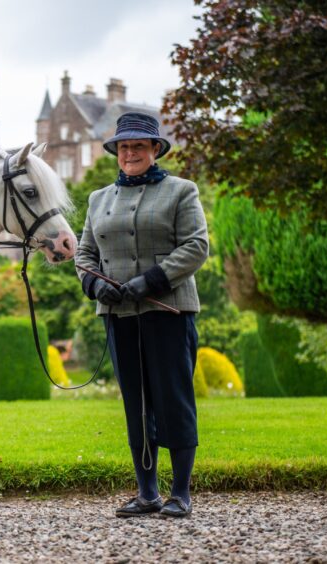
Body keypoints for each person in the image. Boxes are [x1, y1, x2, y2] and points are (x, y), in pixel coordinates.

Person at [75, 112, 209, 518]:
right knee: (137, 404)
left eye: (138, 146)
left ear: (155, 149)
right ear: (116, 151)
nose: (129, 152)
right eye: (123, 146)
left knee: (174, 399)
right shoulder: (98, 199)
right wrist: (95, 284)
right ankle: (147, 492)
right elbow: (84, 255)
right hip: (119, 316)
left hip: (167, 311)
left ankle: (180, 493)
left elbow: (196, 245)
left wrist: (149, 281)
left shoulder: (182, 191)